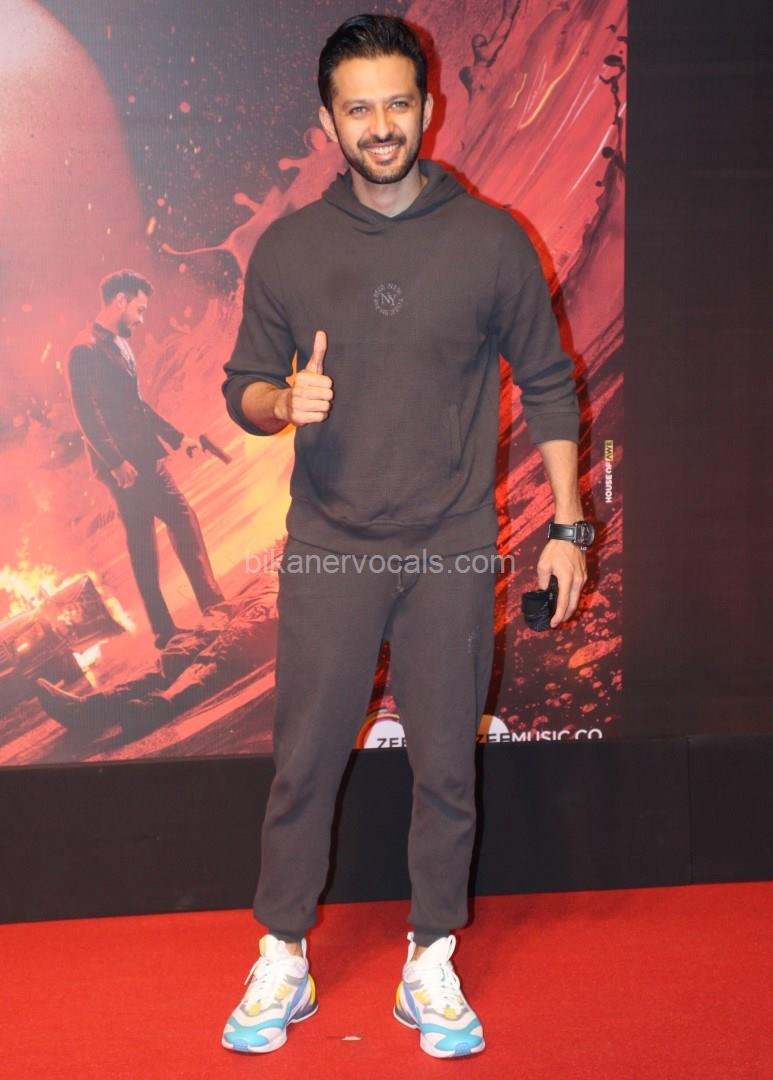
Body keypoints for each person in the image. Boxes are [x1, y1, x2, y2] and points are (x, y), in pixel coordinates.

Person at [221, 14, 592, 1059]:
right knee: (303, 763)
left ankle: (429, 956)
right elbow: (241, 388)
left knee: (444, 766)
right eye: (358, 109)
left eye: (396, 103)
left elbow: (549, 383)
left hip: (449, 546)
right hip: (330, 546)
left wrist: (568, 525)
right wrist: (281, 402)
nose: (379, 125)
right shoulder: (288, 248)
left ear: (427, 108)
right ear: (326, 123)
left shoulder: (490, 239)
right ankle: (282, 953)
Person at [68, 270, 224, 648]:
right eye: (139, 309)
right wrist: (115, 462)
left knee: (146, 539)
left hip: (139, 456)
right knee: (175, 522)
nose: (142, 318)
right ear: (120, 300)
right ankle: (207, 608)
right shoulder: (83, 350)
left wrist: (178, 438)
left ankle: (169, 629)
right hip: (126, 464)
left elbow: (136, 404)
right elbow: (86, 414)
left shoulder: (120, 344)